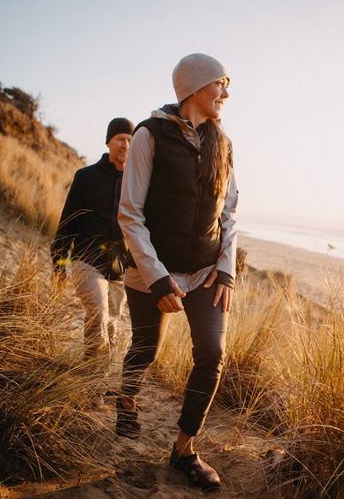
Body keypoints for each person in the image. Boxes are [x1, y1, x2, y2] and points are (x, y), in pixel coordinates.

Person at [116, 53, 237, 490]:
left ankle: (184, 449)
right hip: (154, 269)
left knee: (212, 354)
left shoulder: (223, 142)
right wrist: (158, 278)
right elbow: (130, 214)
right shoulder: (149, 135)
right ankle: (126, 400)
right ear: (193, 87)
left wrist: (226, 270)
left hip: (206, 271)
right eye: (220, 84)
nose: (227, 93)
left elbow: (231, 212)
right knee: (146, 347)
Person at [51, 117, 134, 373]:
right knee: (98, 315)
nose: (125, 145)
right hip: (86, 262)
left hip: (120, 269)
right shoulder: (86, 176)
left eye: (131, 141)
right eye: (120, 139)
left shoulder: (137, 183)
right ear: (108, 141)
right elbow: (68, 222)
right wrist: (59, 264)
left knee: (112, 324)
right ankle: (95, 381)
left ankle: (98, 375)